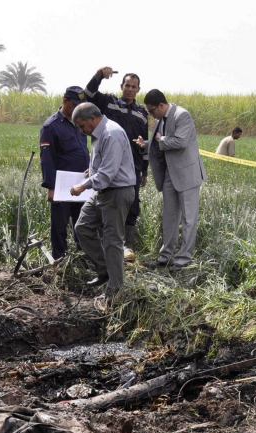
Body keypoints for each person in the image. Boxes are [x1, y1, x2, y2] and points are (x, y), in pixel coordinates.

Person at [133, 90, 207, 269]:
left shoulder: (183, 115)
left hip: (187, 176)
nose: (151, 115)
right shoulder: (160, 120)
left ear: (161, 105)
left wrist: (160, 139)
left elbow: (180, 142)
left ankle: (183, 260)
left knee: (189, 219)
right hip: (169, 175)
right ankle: (165, 258)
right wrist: (147, 144)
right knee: (169, 217)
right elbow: (161, 143)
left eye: (151, 111)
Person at [69, 103, 136, 299]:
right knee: (82, 227)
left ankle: (115, 291)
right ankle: (105, 270)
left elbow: (108, 173)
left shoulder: (111, 133)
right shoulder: (97, 135)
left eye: (82, 126)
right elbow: (104, 165)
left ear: (92, 118)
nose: (82, 131)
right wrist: (92, 171)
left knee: (112, 241)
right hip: (103, 191)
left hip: (117, 192)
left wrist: (83, 185)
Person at [85, 67, 148, 259]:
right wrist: (98, 76)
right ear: (121, 86)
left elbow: (145, 142)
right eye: (127, 85)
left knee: (132, 205)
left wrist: (144, 171)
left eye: (134, 87)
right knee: (106, 202)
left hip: (133, 166)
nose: (130, 89)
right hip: (108, 164)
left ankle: (126, 247)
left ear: (138, 89)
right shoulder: (109, 103)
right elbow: (89, 94)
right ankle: (107, 244)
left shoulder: (142, 113)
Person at [40, 86, 90, 259]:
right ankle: (60, 261)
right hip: (62, 185)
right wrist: (51, 187)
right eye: (75, 104)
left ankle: (83, 258)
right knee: (60, 225)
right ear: (65, 101)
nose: (78, 108)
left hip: (82, 183)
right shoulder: (51, 126)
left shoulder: (79, 123)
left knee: (82, 224)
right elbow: (47, 159)